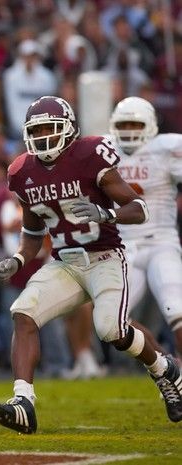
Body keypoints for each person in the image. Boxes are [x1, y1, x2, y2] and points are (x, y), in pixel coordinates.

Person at [0, 95, 182, 434]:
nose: (44, 136)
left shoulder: (91, 155)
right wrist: (18, 259)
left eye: (51, 128)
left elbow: (139, 208)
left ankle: (165, 368)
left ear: (69, 129)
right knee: (23, 312)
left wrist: (106, 213)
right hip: (65, 263)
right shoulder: (22, 171)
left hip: (105, 257)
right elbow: (33, 231)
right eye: (38, 130)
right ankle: (23, 403)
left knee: (111, 330)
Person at [109, 96, 182, 355]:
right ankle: (166, 367)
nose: (129, 131)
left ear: (150, 126)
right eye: (124, 125)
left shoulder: (167, 147)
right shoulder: (106, 151)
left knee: (176, 309)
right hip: (123, 247)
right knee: (111, 320)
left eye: (135, 125)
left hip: (161, 241)